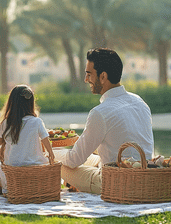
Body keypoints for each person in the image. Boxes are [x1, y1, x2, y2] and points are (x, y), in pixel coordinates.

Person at [58, 48, 154, 194]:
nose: (85, 79)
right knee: (91, 157)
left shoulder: (100, 113)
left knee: (57, 162)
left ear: (103, 76)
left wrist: (49, 154)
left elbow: (73, 160)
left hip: (113, 183)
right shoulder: (139, 102)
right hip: (144, 177)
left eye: (89, 74)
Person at [0, 85, 55, 193]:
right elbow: (45, 140)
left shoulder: (6, 122)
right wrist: (50, 153)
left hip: (13, 165)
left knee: (0, 165)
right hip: (35, 164)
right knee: (45, 159)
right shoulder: (36, 121)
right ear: (31, 104)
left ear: (11, 103)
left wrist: (7, 138)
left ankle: (8, 189)